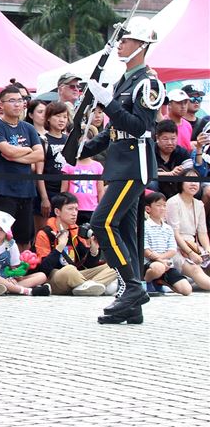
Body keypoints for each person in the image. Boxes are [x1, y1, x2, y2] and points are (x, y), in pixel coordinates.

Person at [80, 16, 165, 324]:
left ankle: (131, 287)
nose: (120, 44)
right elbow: (113, 131)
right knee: (126, 234)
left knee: (101, 223)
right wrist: (78, 152)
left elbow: (140, 126)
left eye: (126, 40)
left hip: (134, 164)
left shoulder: (148, 83)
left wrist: (108, 104)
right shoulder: (124, 80)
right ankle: (133, 307)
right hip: (119, 163)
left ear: (141, 47)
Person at [0, 85, 43, 251]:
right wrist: (27, 150)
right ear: (1, 105)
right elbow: (7, 151)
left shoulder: (29, 128)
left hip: (26, 189)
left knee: (24, 237)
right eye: (12, 101)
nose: (18, 104)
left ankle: (21, 272)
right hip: (3, 190)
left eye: (20, 101)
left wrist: (16, 155)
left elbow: (40, 155)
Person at [33, 192, 117, 296]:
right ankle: (91, 285)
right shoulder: (45, 233)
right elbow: (43, 269)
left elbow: (86, 266)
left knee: (114, 265)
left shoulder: (76, 231)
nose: (74, 213)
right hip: (56, 278)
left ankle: (87, 286)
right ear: (57, 211)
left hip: (76, 275)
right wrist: (60, 247)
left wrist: (93, 251)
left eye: (76, 209)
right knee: (69, 270)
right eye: (70, 209)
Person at [0, 210, 51, 296]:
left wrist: (16, 274)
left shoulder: (11, 244)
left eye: (1, 230)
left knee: (42, 276)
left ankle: (5, 289)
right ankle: (27, 291)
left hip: (8, 277)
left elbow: (14, 268)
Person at [165, 170, 210, 291]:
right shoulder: (173, 202)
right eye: (189, 180)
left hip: (194, 246)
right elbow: (175, 233)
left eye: (196, 181)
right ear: (181, 183)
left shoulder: (199, 204)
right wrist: (190, 253)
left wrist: (207, 250)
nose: (193, 184)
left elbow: (202, 232)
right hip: (177, 248)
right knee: (195, 269)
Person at [143, 192, 191, 296]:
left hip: (166, 264)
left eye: (164, 205)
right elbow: (145, 250)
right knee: (158, 268)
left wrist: (163, 260)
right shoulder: (144, 226)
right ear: (148, 209)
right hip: (149, 264)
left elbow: (172, 250)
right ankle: (145, 282)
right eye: (158, 205)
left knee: (186, 290)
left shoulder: (168, 228)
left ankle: (161, 282)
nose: (163, 208)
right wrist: (160, 260)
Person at [60, 127, 105, 226]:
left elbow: (100, 190)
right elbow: (64, 190)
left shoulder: (98, 166)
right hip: (73, 208)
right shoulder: (69, 165)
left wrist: (101, 209)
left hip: (92, 208)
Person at [35, 101, 69, 226]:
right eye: (58, 116)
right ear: (48, 118)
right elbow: (39, 172)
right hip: (47, 190)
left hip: (64, 191)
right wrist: (44, 198)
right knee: (45, 230)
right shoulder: (43, 140)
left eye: (65, 117)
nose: (62, 120)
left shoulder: (69, 139)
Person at [151, 119, 195, 200]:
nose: (170, 143)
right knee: (151, 184)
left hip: (175, 185)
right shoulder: (149, 151)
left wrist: (182, 172)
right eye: (165, 139)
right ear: (157, 138)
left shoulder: (182, 152)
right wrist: (170, 174)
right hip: (157, 186)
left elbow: (190, 172)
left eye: (173, 139)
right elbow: (145, 173)